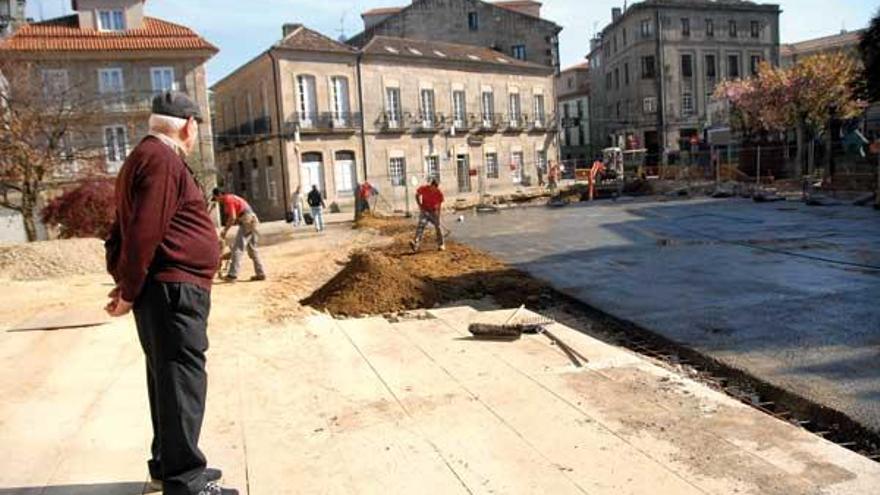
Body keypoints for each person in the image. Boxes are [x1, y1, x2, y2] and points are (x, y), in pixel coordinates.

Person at [104, 91, 238, 495]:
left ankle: (169, 463)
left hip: (163, 288)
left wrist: (127, 279)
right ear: (187, 125)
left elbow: (122, 229)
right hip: (173, 290)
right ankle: (186, 480)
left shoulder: (142, 158)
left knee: (166, 377)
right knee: (181, 378)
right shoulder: (162, 159)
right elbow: (144, 231)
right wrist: (129, 287)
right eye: (196, 125)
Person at [211, 188, 265, 282]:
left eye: (216, 198)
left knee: (238, 249)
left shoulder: (228, 199)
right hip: (252, 220)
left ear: (219, 194)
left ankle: (232, 275)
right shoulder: (232, 198)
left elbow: (232, 217)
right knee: (252, 249)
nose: (217, 201)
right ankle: (260, 273)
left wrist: (225, 231)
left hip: (247, 220)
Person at [411, 178, 445, 252]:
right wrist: (419, 205)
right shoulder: (424, 189)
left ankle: (441, 244)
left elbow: (439, 206)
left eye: (436, 188)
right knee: (421, 225)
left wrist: (438, 217)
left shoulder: (439, 193)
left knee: (438, 227)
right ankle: (416, 244)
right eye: (433, 188)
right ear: (431, 185)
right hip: (425, 211)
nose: (434, 190)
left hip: (433, 212)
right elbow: (417, 195)